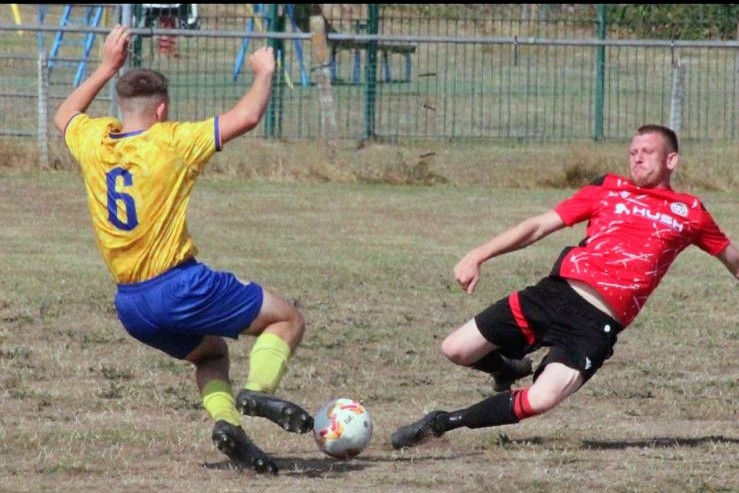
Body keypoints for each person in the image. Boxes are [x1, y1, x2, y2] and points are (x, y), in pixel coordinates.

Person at [53, 25, 312, 475]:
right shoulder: (171, 140)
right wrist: (264, 71)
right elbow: (247, 116)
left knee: (210, 354)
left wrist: (106, 65)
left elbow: (65, 114)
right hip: (179, 284)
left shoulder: (95, 141)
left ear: (121, 106)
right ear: (162, 108)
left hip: (131, 306)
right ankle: (257, 391)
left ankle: (228, 424)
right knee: (287, 319)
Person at [391, 124, 738, 449]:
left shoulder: (689, 211)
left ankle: (442, 422)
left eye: (647, 151)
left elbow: (732, 259)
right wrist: (478, 254)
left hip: (595, 325)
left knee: (541, 398)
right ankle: (505, 368)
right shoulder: (609, 189)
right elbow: (540, 225)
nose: (637, 157)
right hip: (554, 295)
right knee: (456, 349)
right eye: (633, 151)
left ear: (671, 160)